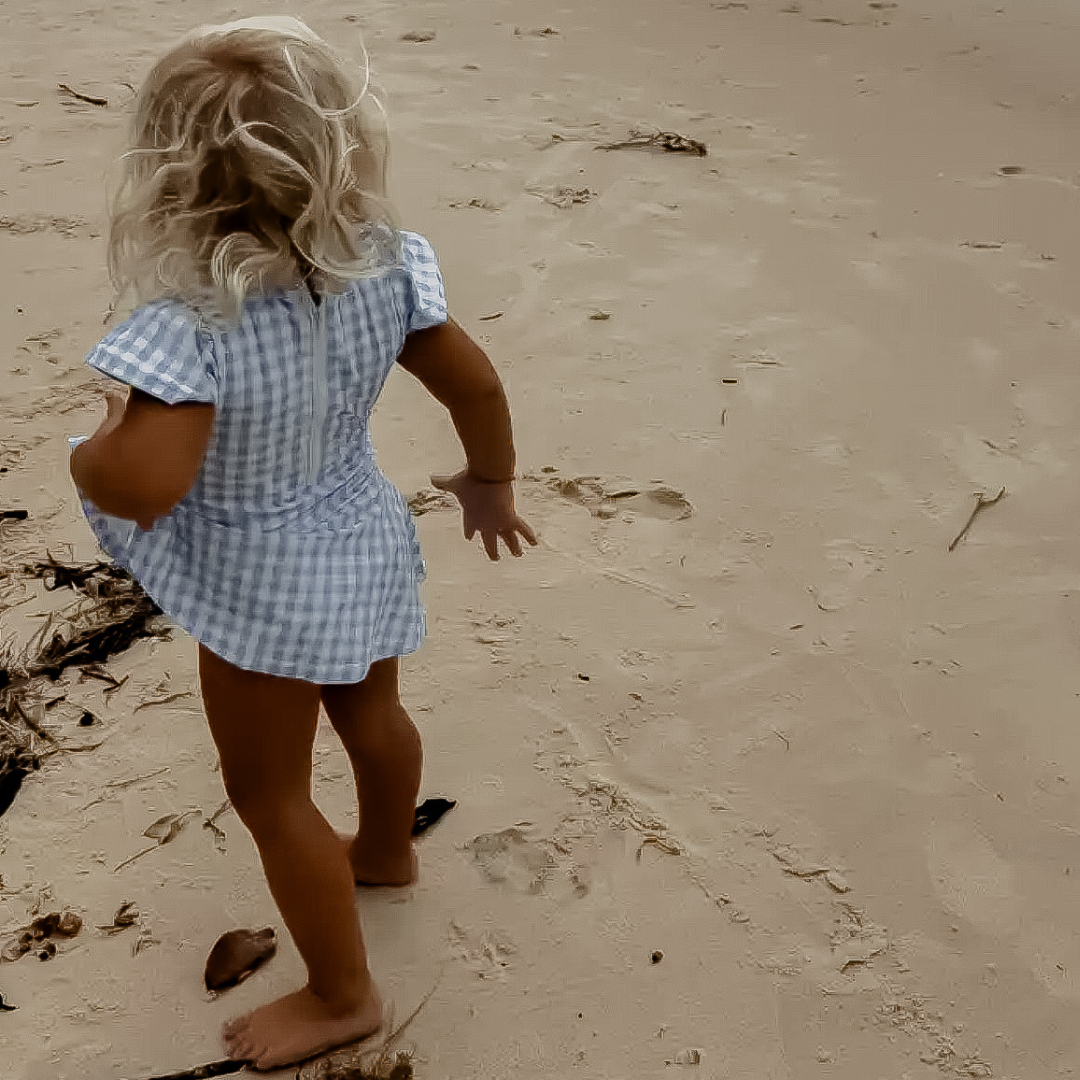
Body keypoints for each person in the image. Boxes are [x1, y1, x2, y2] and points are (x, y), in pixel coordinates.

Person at [69, 16, 536, 1072]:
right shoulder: (384, 268)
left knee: (272, 796)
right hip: (360, 532)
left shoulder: (189, 324)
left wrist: (93, 448)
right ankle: (383, 852)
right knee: (375, 716)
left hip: (261, 584)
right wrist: (488, 480)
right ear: (339, 148)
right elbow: (478, 382)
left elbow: (146, 486)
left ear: (168, 175)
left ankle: (340, 994)